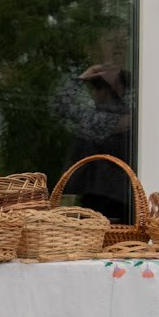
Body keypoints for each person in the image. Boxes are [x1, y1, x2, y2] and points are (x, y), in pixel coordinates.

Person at [52, 63, 136, 222]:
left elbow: (60, 105)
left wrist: (81, 78)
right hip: (121, 195)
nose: (93, 95)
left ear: (105, 92)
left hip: (102, 196)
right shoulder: (132, 117)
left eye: (97, 89)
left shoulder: (94, 119)